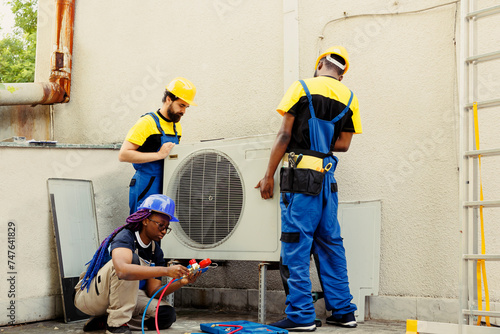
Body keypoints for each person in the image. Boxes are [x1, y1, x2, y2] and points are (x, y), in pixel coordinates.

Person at [256, 46, 362, 331]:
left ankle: (301, 316)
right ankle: (344, 312)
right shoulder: (349, 97)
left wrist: (268, 175)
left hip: (301, 180)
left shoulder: (302, 87)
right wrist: (321, 143)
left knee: (295, 245)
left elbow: (284, 134)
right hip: (328, 180)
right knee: (330, 245)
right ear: (341, 75)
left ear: (319, 65)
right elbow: (343, 145)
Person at [74, 194, 200, 334]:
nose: (164, 231)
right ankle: (116, 324)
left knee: (166, 315)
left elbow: (153, 293)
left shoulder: (155, 251)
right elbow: (122, 270)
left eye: (167, 228)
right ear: (145, 220)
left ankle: (106, 320)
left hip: (127, 296)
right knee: (132, 260)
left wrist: (181, 281)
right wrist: (166, 271)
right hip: (91, 296)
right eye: (161, 225)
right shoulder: (125, 236)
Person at [119, 77, 197, 214]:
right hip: (146, 186)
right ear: (168, 99)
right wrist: (158, 155)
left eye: (186, 107)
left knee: (160, 228)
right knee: (141, 227)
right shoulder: (147, 123)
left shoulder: (176, 126)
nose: (184, 111)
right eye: (181, 105)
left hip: (167, 184)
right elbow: (123, 155)